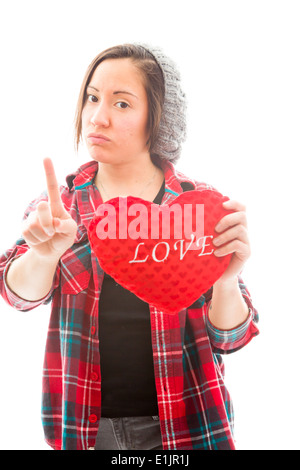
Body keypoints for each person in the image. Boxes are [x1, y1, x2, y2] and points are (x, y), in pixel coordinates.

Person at [0, 43, 259, 450]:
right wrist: (45, 253)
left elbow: (232, 339)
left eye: (122, 104)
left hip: (188, 428)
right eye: (93, 97)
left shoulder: (200, 207)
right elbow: (17, 297)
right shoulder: (60, 206)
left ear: (158, 120)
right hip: (85, 431)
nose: (97, 117)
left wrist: (226, 280)